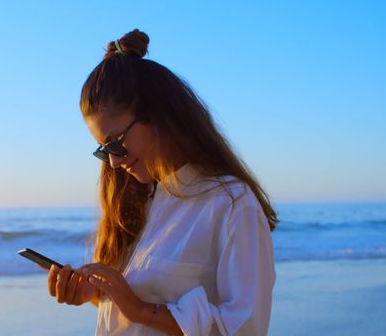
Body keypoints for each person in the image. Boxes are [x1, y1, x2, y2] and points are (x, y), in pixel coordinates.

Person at [42, 29, 277, 336]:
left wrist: (138, 308)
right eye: (104, 150)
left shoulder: (231, 204)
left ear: (158, 115)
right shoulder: (139, 201)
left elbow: (245, 326)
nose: (113, 162)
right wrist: (97, 293)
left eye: (116, 143)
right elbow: (142, 305)